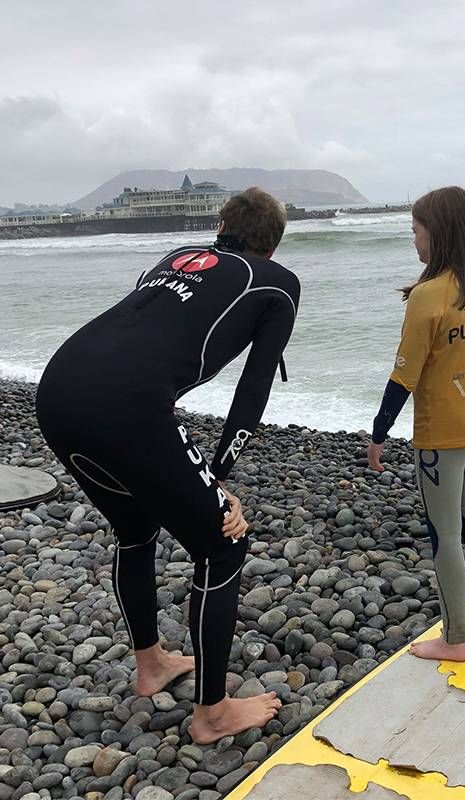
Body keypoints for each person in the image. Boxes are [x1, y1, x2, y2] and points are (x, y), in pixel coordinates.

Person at [36, 187, 300, 742]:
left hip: (58, 385)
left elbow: (144, 334)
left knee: (134, 525)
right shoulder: (277, 282)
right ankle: (212, 713)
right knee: (223, 544)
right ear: (273, 242)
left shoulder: (174, 258)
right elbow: (254, 388)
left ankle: (151, 664)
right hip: (129, 402)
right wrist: (220, 480)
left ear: (221, 224)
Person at [368, 186, 465, 662]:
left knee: (443, 532)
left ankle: (455, 639)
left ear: (437, 232)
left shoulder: (429, 295)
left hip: (441, 434)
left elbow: (404, 374)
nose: (414, 241)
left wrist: (379, 432)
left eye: (416, 230)